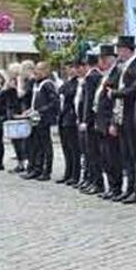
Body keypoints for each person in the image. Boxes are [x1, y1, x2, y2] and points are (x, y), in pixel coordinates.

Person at [112, 36, 136, 203]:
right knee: (126, 154)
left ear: (127, 50)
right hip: (122, 115)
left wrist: (116, 93)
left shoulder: (135, 65)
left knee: (135, 154)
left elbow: (134, 89)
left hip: (132, 115)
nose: (118, 53)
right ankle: (130, 187)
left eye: (120, 49)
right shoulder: (122, 67)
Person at [23, 61, 58, 181]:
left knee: (45, 145)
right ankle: (36, 168)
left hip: (44, 119)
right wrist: (30, 110)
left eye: (39, 70)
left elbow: (54, 102)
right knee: (36, 145)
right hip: (35, 119)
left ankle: (46, 170)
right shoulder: (36, 84)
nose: (36, 72)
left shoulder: (48, 84)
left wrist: (40, 110)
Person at [95, 44, 122, 199]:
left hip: (108, 121)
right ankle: (111, 186)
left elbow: (115, 102)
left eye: (105, 59)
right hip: (100, 120)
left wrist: (113, 122)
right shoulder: (104, 75)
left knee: (113, 157)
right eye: (101, 59)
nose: (102, 62)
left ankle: (116, 186)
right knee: (105, 156)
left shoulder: (117, 74)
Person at [79, 52, 104, 195]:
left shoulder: (91, 77)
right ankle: (92, 180)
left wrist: (85, 120)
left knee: (93, 153)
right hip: (90, 120)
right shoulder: (96, 76)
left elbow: (88, 101)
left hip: (89, 121)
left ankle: (96, 181)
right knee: (90, 154)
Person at [57, 57, 82, 186]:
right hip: (63, 117)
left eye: (73, 68)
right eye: (68, 68)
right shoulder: (66, 82)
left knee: (74, 149)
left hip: (72, 118)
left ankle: (75, 175)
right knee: (66, 148)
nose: (71, 70)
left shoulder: (78, 83)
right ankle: (68, 172)